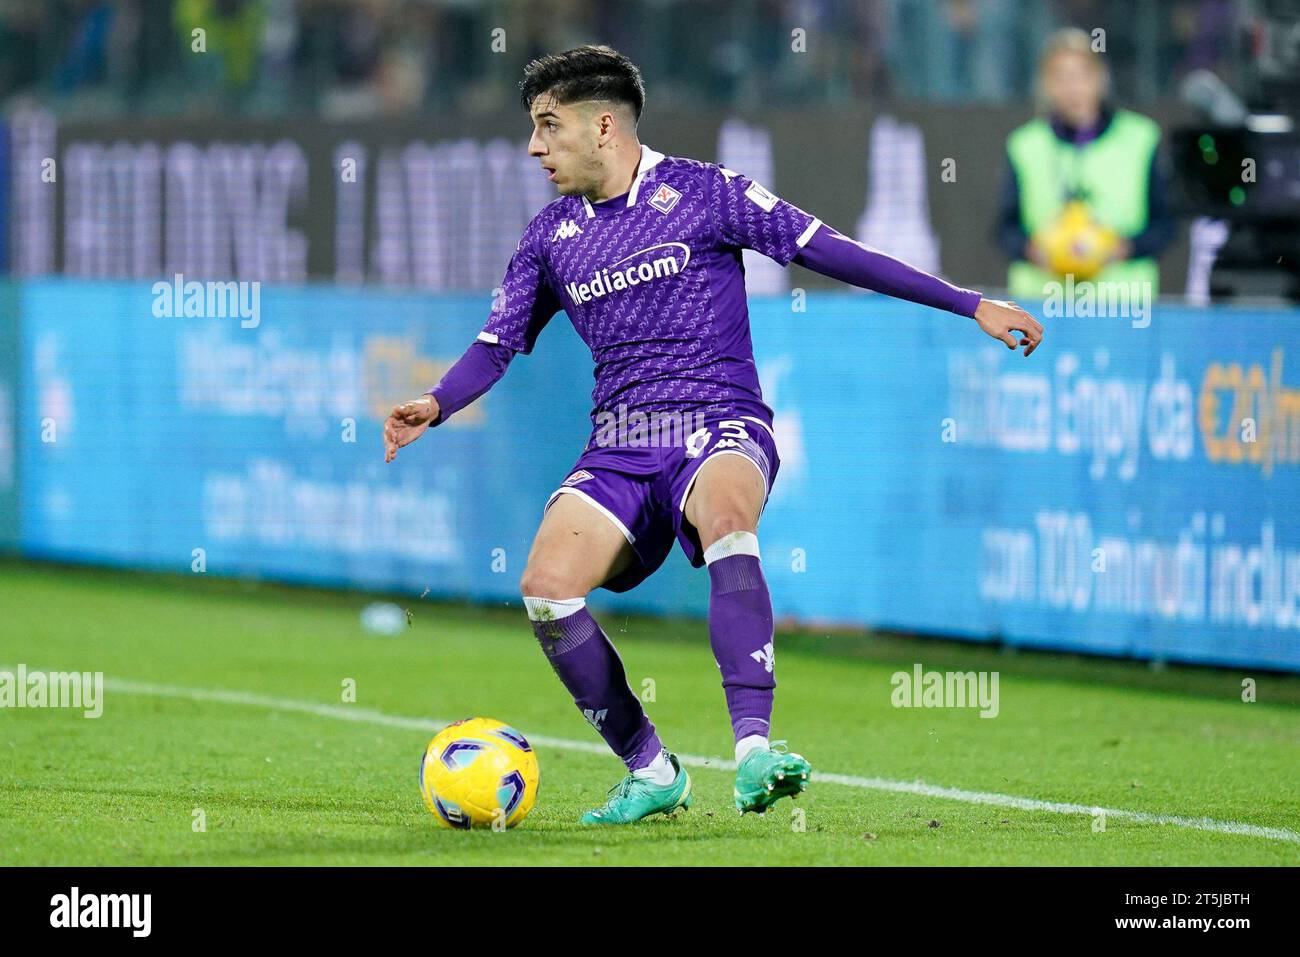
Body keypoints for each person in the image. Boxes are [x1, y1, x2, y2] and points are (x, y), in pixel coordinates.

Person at [384, 45, 1041, 826]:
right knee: (547, 587)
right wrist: (436, 400)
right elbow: (497, 344)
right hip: (621, 442)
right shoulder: (550, 237)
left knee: (728, 515)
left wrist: (970, 304)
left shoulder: (706, 192)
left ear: (603, 126)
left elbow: (832, 250)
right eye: (534, 129)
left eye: (548, 126)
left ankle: (755, 748)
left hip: (719, 420)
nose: (535, 147)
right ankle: (651, 768)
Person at [996, 28, 1174, 299]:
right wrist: (1033, 250)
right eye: (1061, 78)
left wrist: (1123, 249)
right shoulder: (1025, 144)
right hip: (1042, 304)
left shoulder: (1140, 138)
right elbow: (1005, 228)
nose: (1073, 88)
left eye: (1081, 76)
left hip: (1121, 306)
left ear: (1100, 79)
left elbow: (1165, 225)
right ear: (1046, 84)